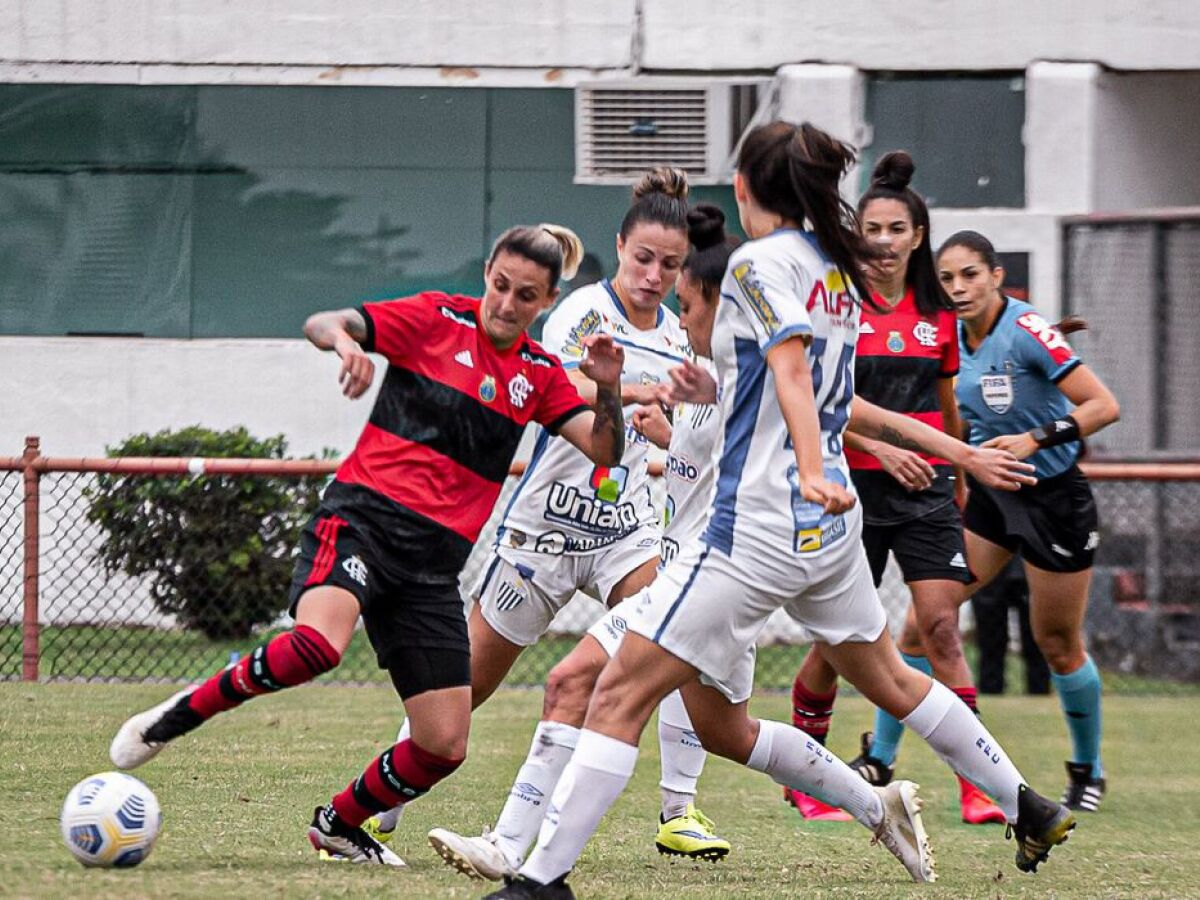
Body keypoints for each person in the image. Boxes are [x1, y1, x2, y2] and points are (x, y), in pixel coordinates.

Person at [485, 122, 1076, 900]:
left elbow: (796, 376)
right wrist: (957, 453)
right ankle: (1024, 802)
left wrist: (804, 463)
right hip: (828, 532)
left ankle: (539, 882)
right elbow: (829, 391)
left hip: (757, 529)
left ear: (743, 188)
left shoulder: (760, 263)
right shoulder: (831, 269)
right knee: (892, 678)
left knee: (616, 692)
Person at [107, 224, 629, 866]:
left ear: (545, 303)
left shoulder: (539, 374)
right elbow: (324, 320)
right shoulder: (434, 317)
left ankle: (338, 823)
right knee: (316, 648)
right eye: (499, 285)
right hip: (363, 522)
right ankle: (179, 714)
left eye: (525, 296)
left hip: (431, 570)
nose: (505, 304)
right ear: (486, 271)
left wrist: (608, 387)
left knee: (443, 745)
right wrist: (344, 345)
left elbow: (605, 449)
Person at [362, 168, 726, 858]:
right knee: (464, 686)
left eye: (669, 266)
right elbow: (558, 381)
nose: (653, 275)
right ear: (619, 246)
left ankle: (680, 810)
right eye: (642, 258)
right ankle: (390, 796)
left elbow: (695, 411)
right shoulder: (583, 312)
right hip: (548, 527)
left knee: (677, 637)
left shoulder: (683, 333)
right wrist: (644, 388)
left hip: (628, 530)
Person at [785, 151, 1004, 825]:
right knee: (837, 641)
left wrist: (959, 472)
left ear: (917, 236)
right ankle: (807, 776)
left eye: (895, 230)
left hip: (928, 493)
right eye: (871, 229)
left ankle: (977, 788)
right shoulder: (837, 306)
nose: (882, 242)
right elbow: (817, 400)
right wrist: (877, 446)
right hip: (849, 491)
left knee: (940, 627)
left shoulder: (939, 315)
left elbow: (946, 405)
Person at [939, 229, 1120, 811]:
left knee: (1056, 642)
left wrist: (1035, 438)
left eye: (970, 274)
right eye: (947, 278)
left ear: (995, 276)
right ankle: (881, 758)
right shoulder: (947, 339)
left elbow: (1103, 406)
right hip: (995, 496)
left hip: (1054, 498)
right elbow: (958, 423)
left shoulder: (1027, 330)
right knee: (931, 617)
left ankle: (1088, 769)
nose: (959, 287)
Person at [971, 557, 1051, 696]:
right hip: (990, 561)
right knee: (990, 640)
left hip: (1032, 559)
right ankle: (991, 694)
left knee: (1037, 640)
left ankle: (1040, 693)